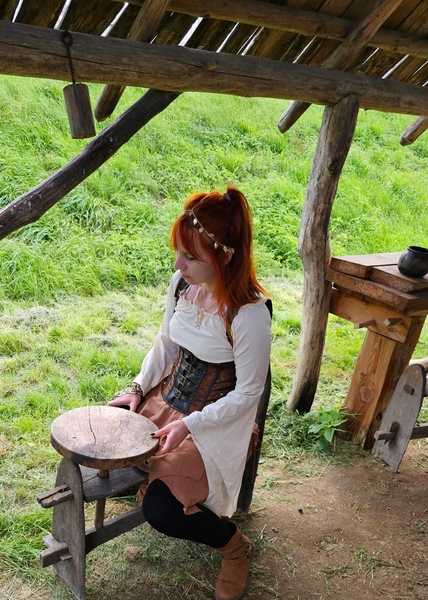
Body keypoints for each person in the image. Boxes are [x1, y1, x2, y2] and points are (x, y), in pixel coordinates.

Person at [109, 185, 272, 600]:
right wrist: (138, 387)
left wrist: (191, 426)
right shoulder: (181, 285)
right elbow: (166, 342)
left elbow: (249, 393)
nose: (177, 264)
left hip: (216, 424)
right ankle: (155, 472)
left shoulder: (249, 314)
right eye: (178, 252)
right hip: (165, 403)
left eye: (190, 256)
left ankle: (234, 548)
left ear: (225, 256)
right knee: (107, 436)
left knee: (161, 511)